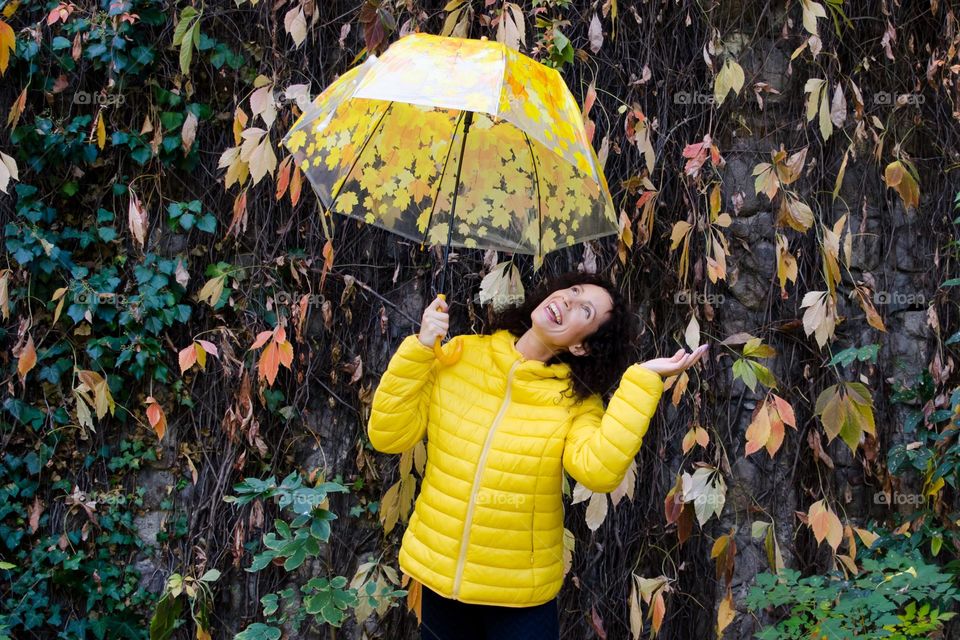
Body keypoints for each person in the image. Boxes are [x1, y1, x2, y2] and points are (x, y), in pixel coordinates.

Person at [368, 271, 708, 640]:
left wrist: (642, 381)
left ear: (581, 347)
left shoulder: (575, 402)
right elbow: (388, 435)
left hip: (520, 595)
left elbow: (599, 471)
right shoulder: (461, 355)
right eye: (573, 290)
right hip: (438, 577)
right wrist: (420, 348)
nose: (568, 300)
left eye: (585, 311)